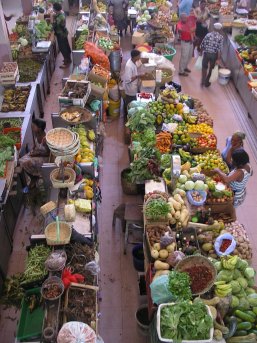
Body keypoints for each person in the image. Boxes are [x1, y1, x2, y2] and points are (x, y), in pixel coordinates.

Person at [19, 119, 50, 188]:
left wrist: (36, 154)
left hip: (44, 157)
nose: (32, 128)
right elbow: (35, 144)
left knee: (26, 162)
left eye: (33, 127)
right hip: (37, 152)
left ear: (39, 128)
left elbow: (48, 154)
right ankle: (33, 176)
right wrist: (33, 150)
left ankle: (35, 177)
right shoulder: (37, 133)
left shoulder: (45, 139)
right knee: (21, 160)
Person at [200, 22, 223, 87]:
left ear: (213, 28)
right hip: (214, 55)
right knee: (211, 68)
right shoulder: (220, 37)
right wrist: (218, 59)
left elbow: (203, 44)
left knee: (204, 67)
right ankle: (207, 82)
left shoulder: (208, 35)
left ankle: (203, 80)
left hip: (206, 53)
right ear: (220, 29)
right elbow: (219, 49)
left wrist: (201, 52)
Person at [52, 2, 72, 68]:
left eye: (53, 8)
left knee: (63, 48)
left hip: (61, 34)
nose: (53, 9)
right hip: (63, 33)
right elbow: (57, 16)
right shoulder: (61, 13)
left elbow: (54, 25)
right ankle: (68, 59)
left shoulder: (60, 17)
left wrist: (52, 20)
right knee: (66, 46)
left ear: (55, 9)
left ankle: (66, 63)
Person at [123, 50, 142, 117]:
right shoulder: (129, 66)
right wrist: (137, 76)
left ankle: (130, 113)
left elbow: (138, 64)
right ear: (135, 57)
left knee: (132, 102)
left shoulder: (133, 61)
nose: (140, 57)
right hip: (130, 88)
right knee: (130, 102)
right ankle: (128, 115)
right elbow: (128, 80)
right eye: (139, 56)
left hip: (134, 86)